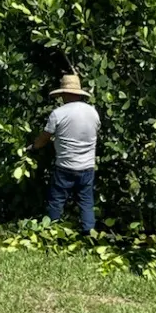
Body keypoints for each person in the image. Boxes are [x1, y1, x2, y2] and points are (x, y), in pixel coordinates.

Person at [33, 74, 101, 233]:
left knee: (56, 202)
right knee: (86, 203)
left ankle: (51, 233)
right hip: (87, 167)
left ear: (64, 93)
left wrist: (33, 147)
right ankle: (89, 235)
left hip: (65, 166)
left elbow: (44, 139)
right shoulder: (93, 112)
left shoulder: (58, 113)